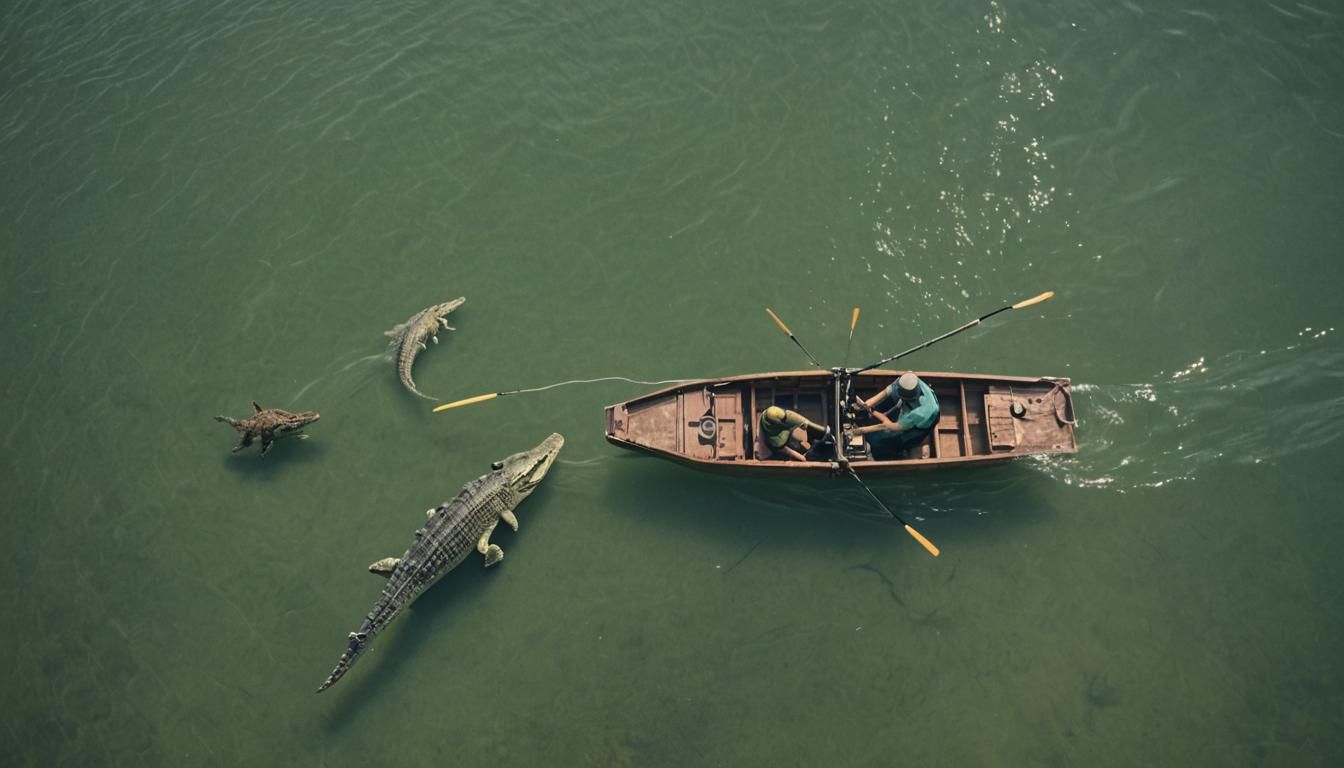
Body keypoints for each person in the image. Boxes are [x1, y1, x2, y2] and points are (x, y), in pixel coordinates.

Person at [848, 372, 940, 458]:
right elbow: (887, 391)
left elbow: (890, 426)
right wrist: (868, 404)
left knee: (881, 441)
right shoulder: (908, 378)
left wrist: (858, 431)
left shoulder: (921, 413)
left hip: (922, 424)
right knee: (888, 402)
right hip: (909, 407)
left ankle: (897, 454)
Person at [758, 405, 830, 461]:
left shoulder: (783, 415)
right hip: (779, 444)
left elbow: (805, 422)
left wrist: (825, 432)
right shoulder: (774, 441)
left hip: (787, 439)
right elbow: (786, 450)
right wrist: (804, 458)